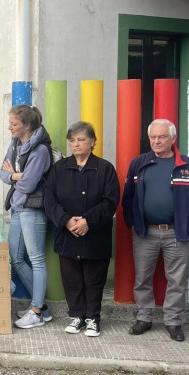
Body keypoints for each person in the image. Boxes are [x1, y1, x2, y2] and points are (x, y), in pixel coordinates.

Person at [122, 119, 189, 342]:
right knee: (142, 277)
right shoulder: (139, 163)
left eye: (162, 137)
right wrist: (133, 222)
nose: (156, 141)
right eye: (153, 137)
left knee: (177, 280)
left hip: (177, 233)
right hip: (145, 232)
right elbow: (128, 197)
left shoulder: (186, 165)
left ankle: (173, 322)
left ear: (173, 139)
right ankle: (144, 318)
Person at [43, 122, 119, 337]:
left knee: (94, 279)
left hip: (95, 235)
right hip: (67, 234)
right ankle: (77, 316)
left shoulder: (105, 169)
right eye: (72, 140)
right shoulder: (59, 168)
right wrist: (66, 220)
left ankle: (93, 318)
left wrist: (88, 221)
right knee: (72, 279)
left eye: (81, 139)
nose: (76, 144)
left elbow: (110, 201)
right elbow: (50, 199)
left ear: (92, 142)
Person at [0, 105, 54, 329]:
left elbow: (30, 184)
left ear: (27, 126)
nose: (9, 127)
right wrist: (17, 175)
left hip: (34, 210)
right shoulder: (15, 145)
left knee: (37, 259)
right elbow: (2, 174)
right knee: (17, 257)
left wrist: (15, 176)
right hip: (18, 208)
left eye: (14, 124)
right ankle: (41, 305)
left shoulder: (40, 151)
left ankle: (37, 311)